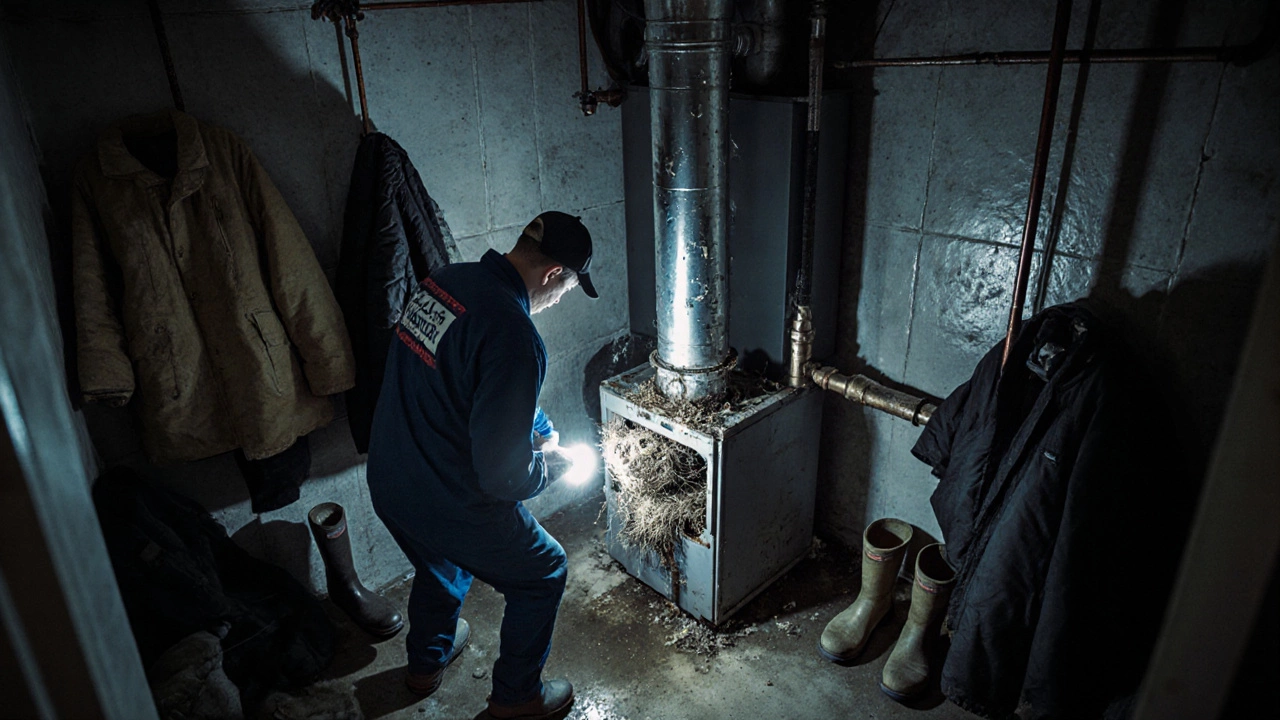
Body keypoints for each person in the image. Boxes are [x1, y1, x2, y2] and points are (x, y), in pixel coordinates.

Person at [366, 211, 597, 719]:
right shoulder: (515, 333)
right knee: (544, 570)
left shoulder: (446, 281)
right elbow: (505, 478)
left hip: (389, 478)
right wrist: (553, 466)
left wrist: (537, 427)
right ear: (554, 275)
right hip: (446, 496)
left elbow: (466, 376)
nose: (557, 302)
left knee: (440, 560)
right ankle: (517, 699)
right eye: (565, 291)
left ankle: (426, 662)